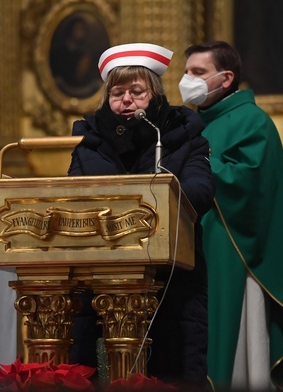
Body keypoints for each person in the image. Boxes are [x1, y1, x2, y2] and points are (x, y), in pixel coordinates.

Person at [68, 43, 215, 390]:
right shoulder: (86, 140)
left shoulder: (183, 135)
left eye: (137, 92)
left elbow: (201, 191)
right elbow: (73, 195)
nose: (127, 101)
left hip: (172, 280)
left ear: (156, 95)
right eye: (118, 93)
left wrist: (155, 196)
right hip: (97, 278)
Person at [179, 41, 283, 391]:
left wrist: (192, 162)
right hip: (192, 251)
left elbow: (247, 186)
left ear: (226, 77)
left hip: (237, 254)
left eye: (198, 73)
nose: (187, 79)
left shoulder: (253, 121)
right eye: (186, 71)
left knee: (237, 357)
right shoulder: (192, 123)